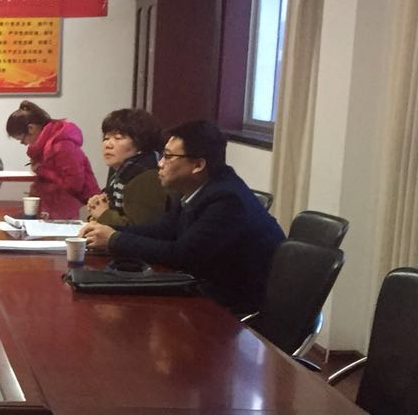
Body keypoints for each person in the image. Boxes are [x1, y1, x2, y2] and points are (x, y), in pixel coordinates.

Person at [79, 120, 286, 314]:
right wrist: (111, 232)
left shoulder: (226, 199)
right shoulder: (193, 188)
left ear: (198, 165)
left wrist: (114, 240)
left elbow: (181, 254)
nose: (160, 164)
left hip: (231, 305)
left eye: (168, 157)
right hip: (203, 288)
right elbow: (163, 230)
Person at [5, 100, 101, 219]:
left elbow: (73, 186)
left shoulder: (62, 146)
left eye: (22, 140)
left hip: (83, 211)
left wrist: (41, 170)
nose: (24, 144)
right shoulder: (45, 147)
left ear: (31, 128)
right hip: (60, 211)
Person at [84, 108, 166, 227]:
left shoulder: (148, 175)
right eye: (106, 138)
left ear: (141, 143)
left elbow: (140, 228)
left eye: (118, 138)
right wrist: (97, 208)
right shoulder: (119, 171)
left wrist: (102, 214)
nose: (108, 144)